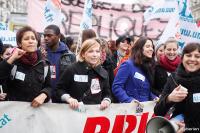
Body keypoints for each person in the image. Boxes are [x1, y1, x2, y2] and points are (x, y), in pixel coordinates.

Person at [0, 26, 51, 107]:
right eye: (26, 39)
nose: (31, 41)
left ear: (37, 42)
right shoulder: (12, 61)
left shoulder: (45, 64)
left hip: (35, 112)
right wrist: (12, 58)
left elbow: (49, 86)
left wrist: (44, 94)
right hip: (13, 112)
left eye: (33, 39)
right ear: (19, 43)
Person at [154, 43, 200, 132]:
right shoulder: (173, 78)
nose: (192, 59)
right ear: (182, 58)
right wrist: (169, 99)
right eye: (188, 55)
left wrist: (188, 129)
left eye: (197, 56)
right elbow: (158, 111)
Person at [56, 38, 112, 110]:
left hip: (94, 115)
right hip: (73, 113)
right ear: (83, 54)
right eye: (91, 51)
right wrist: (69, 99)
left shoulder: (103, 72)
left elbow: (107, 93)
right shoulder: (72, 69)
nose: (95, 55)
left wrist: (106, 101)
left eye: (97, 51)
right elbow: (59, 90)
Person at [112, 36, 157, 103]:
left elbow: (145, 90)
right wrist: (129, 100)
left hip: (144, 109)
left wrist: (154, 98)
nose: (151, 49)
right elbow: (117, 87)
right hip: (129, 110)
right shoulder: (128, 65)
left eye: (152, 47)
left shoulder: (147, 67)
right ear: (139, 49)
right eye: (147, 46)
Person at [43, 24, 76, 103]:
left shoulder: (69, 55)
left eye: (49, 35)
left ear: (58, 36)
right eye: (44, 36)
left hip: (63, 99)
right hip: (44, 99)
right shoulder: (41, 54)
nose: (46, 38)